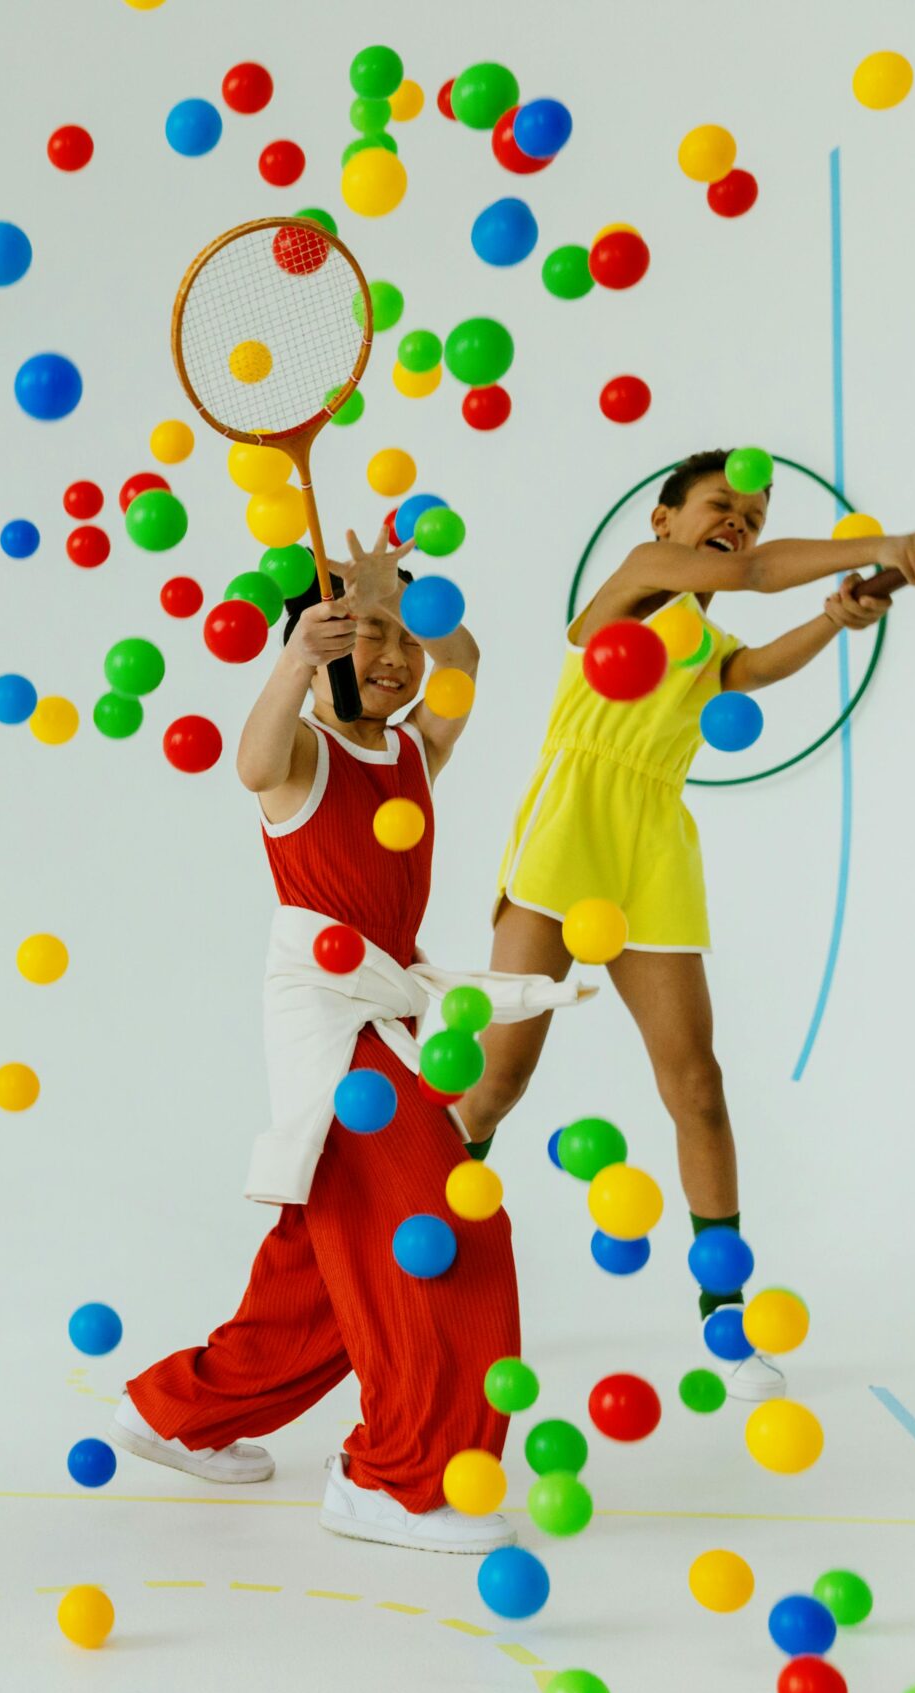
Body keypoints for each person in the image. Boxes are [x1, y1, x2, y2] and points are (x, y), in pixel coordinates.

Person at [116, 536, 590, 1553]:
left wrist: (390, 591)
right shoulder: (300, 755)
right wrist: (293, 659)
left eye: (398, 634)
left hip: (394, 1013)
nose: (392, 651)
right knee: (446, 1229)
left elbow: (462, 668)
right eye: (364, 629)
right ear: (314, 637)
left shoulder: (412, 746)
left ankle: (176, 1412)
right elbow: (250, 762)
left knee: (327, 1265)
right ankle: (395, 1481)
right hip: (331, 1021)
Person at [454, 450, 915, 1398]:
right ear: (663, 519)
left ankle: (723, 1310)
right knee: (499, 1078)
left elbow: (748, 670)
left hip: (656, 845)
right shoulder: (636, 588)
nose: (740, 524)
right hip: (569, 836)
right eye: (722, 505)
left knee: (698, 1082)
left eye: (754, 516)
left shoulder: (698, 637)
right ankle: (399, 1260)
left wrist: (834, 615)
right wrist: (885, 542)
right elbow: (753, 576)